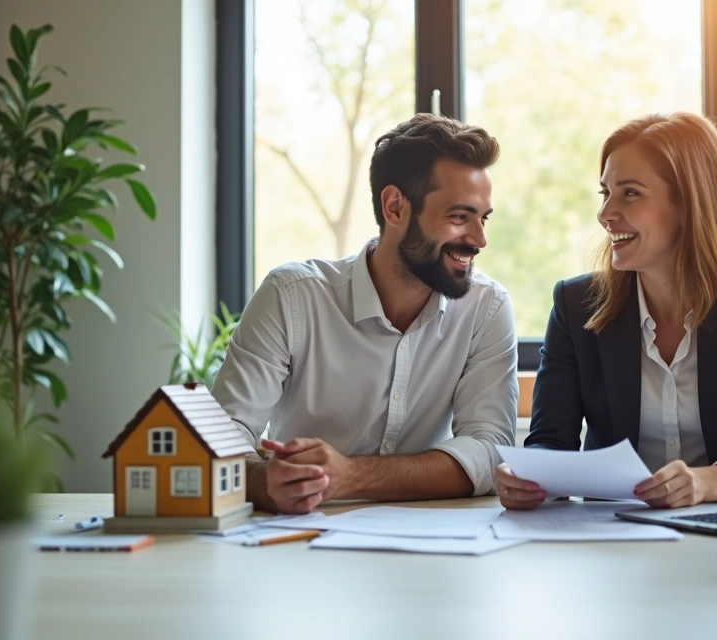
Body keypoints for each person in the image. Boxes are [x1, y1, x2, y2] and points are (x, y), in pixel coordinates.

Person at [495, 112, 717, 511]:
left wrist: (713, 480)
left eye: (630, 193)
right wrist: (528, 478)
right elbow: (550, 442)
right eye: (605, 193)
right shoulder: (575, 306)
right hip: (614, 537)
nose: (606, 213)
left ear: (689, 203)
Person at [213, 114, 518, 514]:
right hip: (301, 541)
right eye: (459, 217)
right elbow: (219, 441)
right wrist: (264, 481)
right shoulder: (292, 297)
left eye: (483, 217)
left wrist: (351, 476)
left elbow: (489, 449)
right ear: (394, 207)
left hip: (435, 543)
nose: (479, 239)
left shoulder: (486, 308)